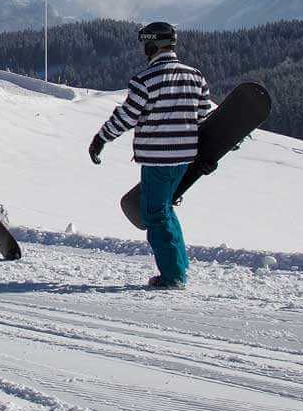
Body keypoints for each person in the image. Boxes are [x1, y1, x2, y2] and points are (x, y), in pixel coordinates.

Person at [88, 21, 212, 289]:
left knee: (154, 215)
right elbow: (203, 115)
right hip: (185, 158)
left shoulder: (146, 80)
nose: (144, 49)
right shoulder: (196, 76)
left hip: (158, 158)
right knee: (165, 209)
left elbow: (127, 116)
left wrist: (101, 138)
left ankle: (172, 276)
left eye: (146, 44)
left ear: (154, 44)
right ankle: (179, 264)